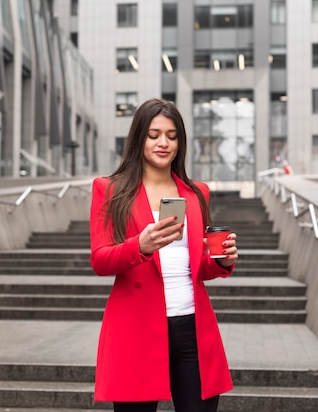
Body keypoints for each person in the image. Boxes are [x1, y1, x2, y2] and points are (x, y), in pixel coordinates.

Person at [89, 98, 238, 412]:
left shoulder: (196, 192)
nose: (163, 143)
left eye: (172, 136)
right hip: (136, 328)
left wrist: (221, 260)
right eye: (154, 134)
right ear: (139, 138)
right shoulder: (110, 189)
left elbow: (199, 268)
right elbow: (100, 259)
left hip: (193, 327)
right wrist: (139, 246)